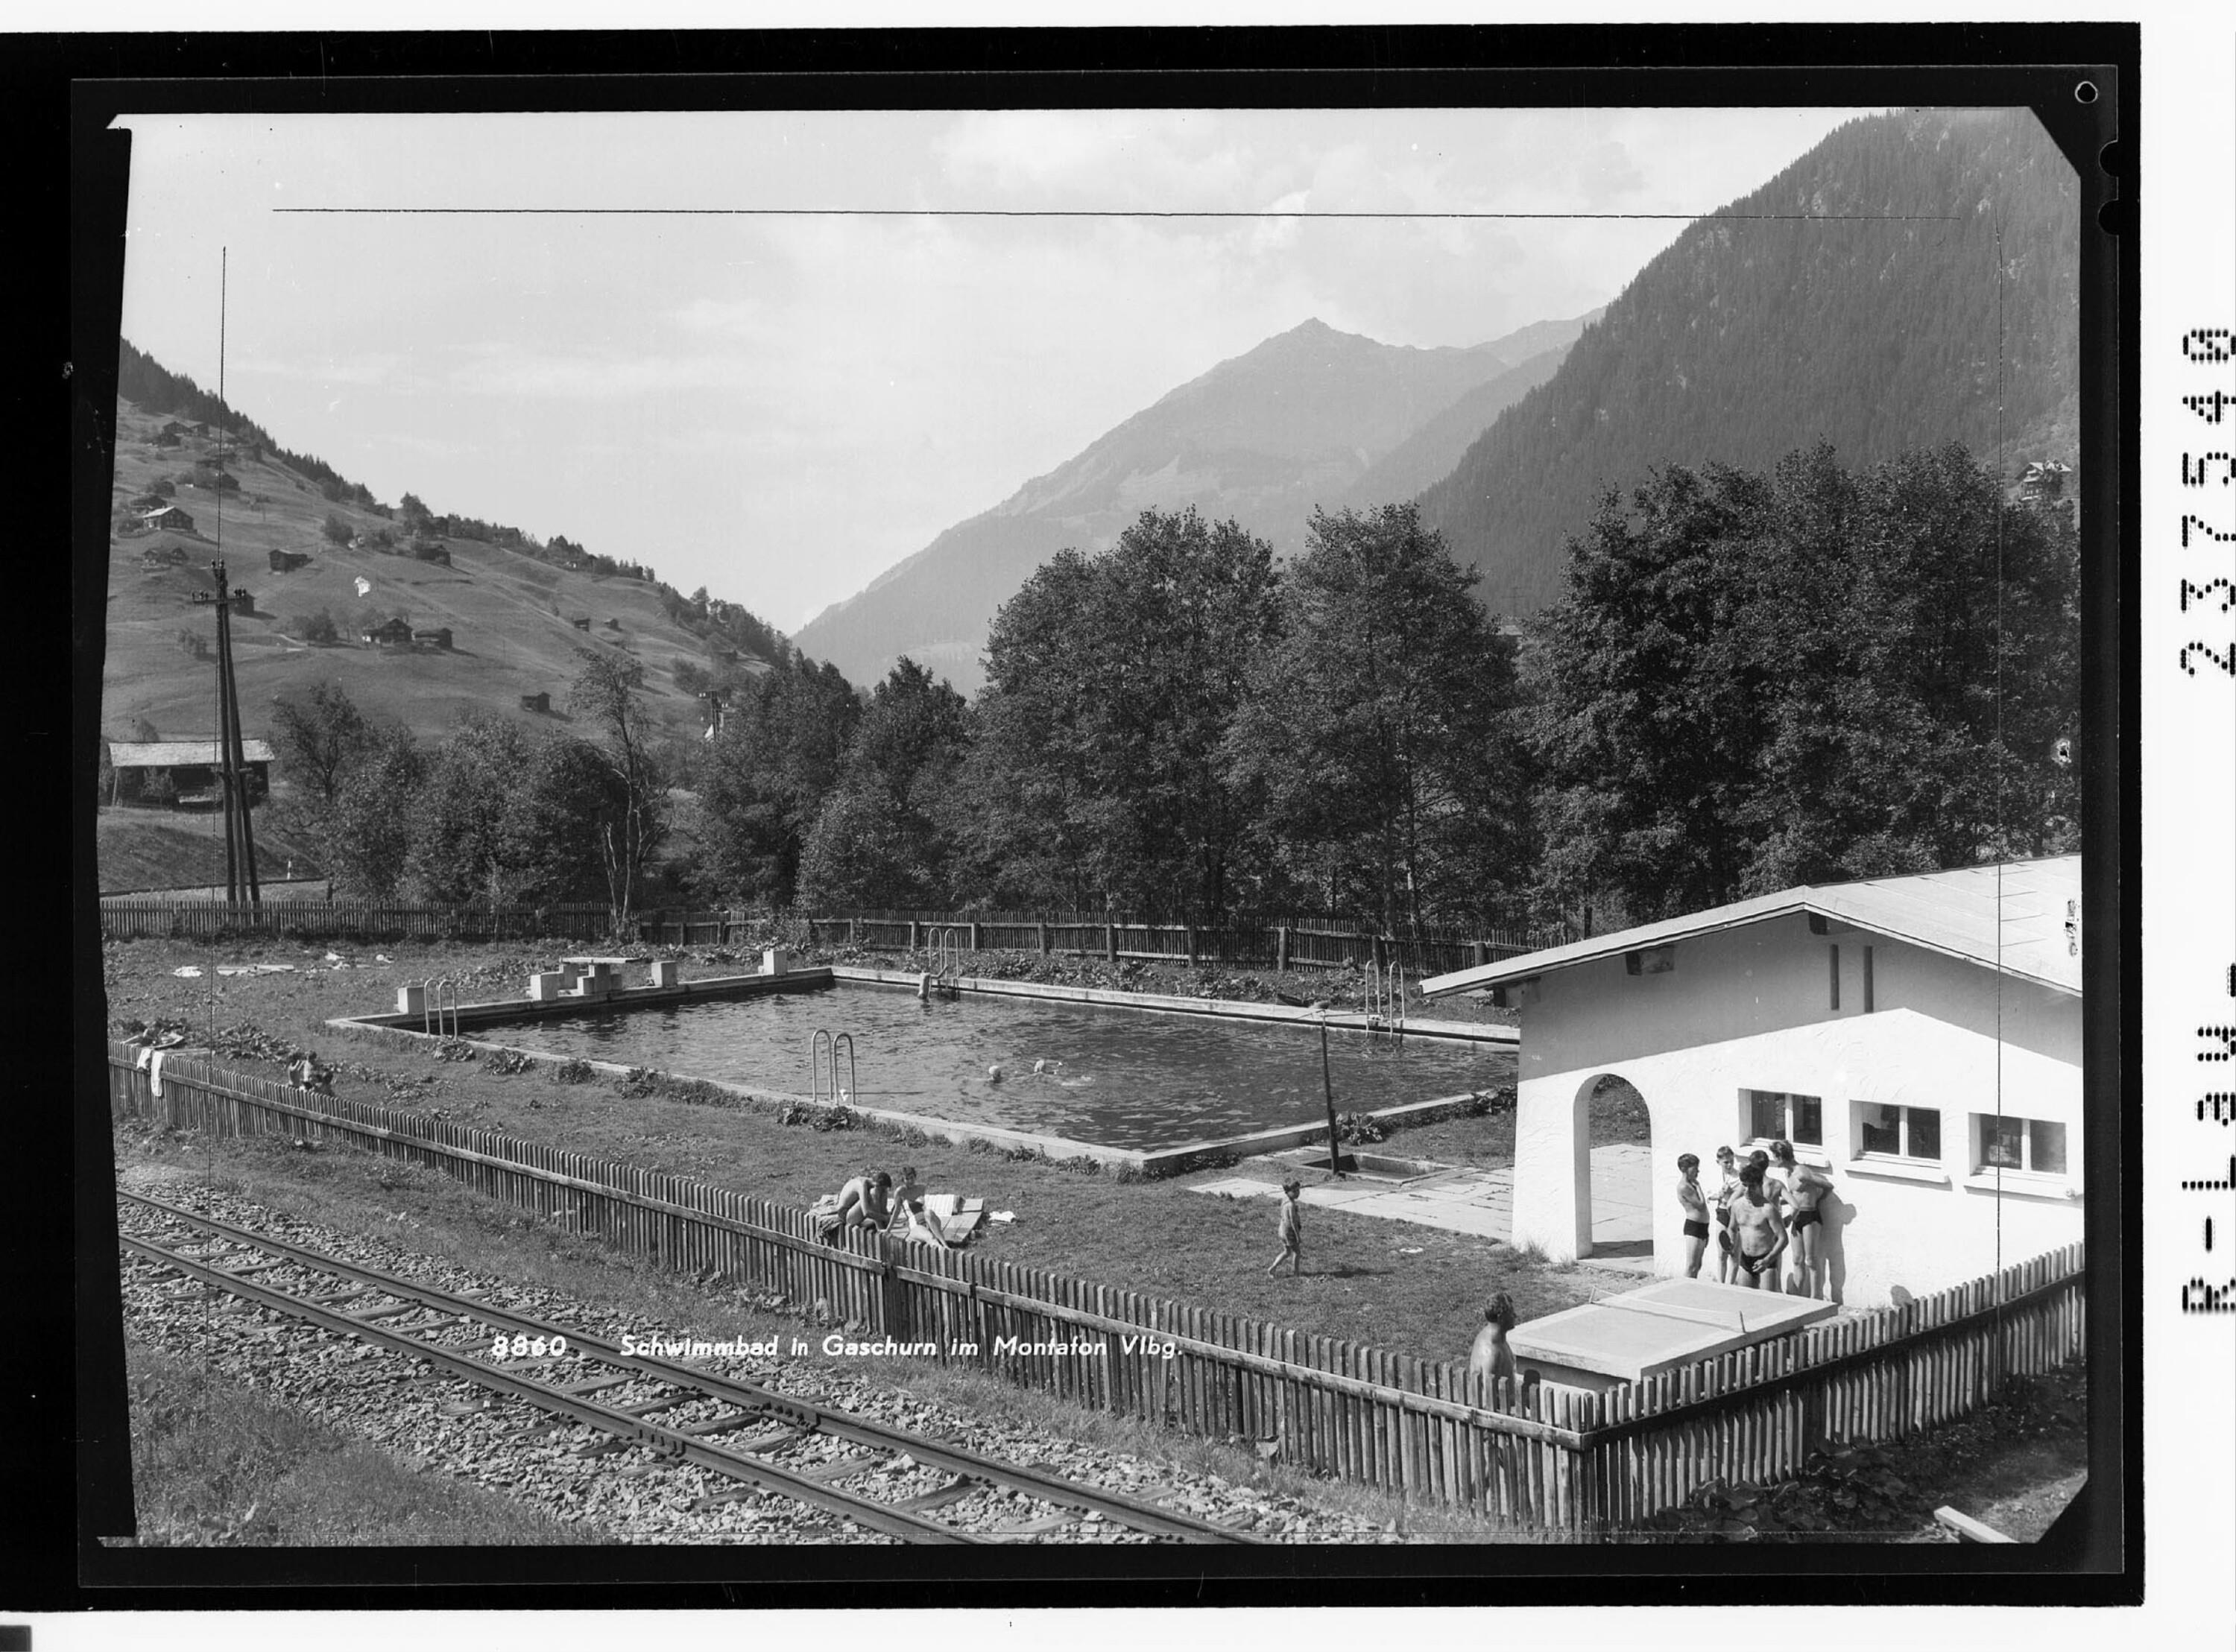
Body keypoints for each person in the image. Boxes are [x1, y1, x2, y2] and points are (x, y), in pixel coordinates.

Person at [1769, 1139, 1834, 1298]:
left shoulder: (1802, 1173)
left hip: (1810, 1216)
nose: (1774, 1160)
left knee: (1811, 1261)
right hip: (1796, 1216)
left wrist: (1818, 1200)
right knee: (1797, 1259)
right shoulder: (1788, 1173)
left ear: (1781, 1157)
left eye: (1775, 1156)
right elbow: (1795, 1196)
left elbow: (1828, 1186)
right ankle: (1798, 1296)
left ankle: (1816, 1297)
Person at [1726, 1162, 1789, 1291]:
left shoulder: (1768, 1209)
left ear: (1760, 1185)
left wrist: (1768, 1260)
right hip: (1745, 1260)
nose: (1748, 1190)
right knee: (1746, 1302)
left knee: (1768, 1304)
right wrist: (1730, 1241)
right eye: (1744, 1186)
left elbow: (1783, 1238)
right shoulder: (1737, 1206)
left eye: (1752, 1186)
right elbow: (1732, 1228)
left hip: (1766, 1259)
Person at [1468, 1293, 1520, 1390]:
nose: (1515, 1316)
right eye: (1511, 1313)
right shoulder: (1491, 1353)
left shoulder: (1500, 1339)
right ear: (1501, 1318)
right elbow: (1489, 1397)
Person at [1675, 1153, 1710, 1279]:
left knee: (1698, 1265)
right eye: (1695, 1169)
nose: (1697, 1171)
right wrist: (1699, 1187)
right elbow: (1700, 1204)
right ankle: (1685, 1290)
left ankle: (1692, 1288)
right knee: (1691, 1266)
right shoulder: (1685, 1186)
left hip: (1702, 1226)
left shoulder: (1691, 1184)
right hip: (1694, 1227)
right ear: (1685, 1169)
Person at [1711, 1146, 1742, 1283]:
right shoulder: (1715, 1176)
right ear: (1718, 1162)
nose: (1729, 1165)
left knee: (1734, 1254)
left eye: (1731, 1161)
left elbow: (1743, 1194)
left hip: (1736, 1215)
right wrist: (1720, 1195)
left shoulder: (1739, 1176)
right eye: (1726, 1162)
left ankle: (1730, 1285)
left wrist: (1732, 1194)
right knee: (1722, 1253)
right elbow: (1709, 1195)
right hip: (1722, 1213)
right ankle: (1721, 1283)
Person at [833, 1170, 891, 1235]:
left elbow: (882, 1206)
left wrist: (887, 1216)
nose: (882, 1192)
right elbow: (866, 1213)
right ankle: (880, 1228)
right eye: (882, 1189)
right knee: (874, 1194)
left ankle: (883, 1225)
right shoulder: (862, 1185)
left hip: (854, 1208)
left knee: (882, 1193)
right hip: (846, 1215)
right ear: (876, 1185)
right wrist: (884, 1217)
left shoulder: (874, 1185)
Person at [1266, 1177, 1304, 1276]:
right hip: (1289, 1231)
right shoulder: (1290, 1205)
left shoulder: (1285, 1200)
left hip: (1282, 1229)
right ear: (1287, 1192)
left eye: (1298, 1190)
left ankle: (1272, 1268)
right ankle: (1296, 1272)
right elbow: (1292, 1221)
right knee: (1297, 1252)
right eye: (1294, 1191)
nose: (1297, 1193)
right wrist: (1297, 1236)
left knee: (1287, 1252)